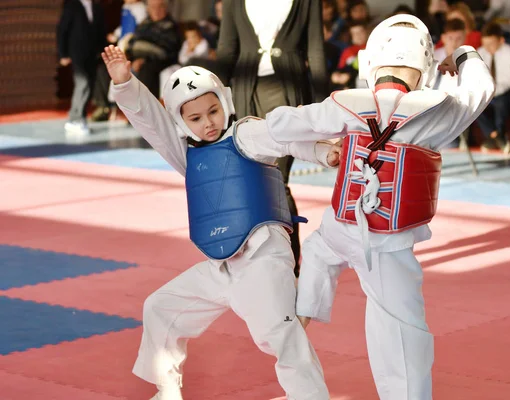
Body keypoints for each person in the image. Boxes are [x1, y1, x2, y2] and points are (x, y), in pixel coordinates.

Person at [265, 14, 495, 400]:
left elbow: (282, 125)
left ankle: (297, 322)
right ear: (423, 66)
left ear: (370, 62)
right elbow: (482, 87)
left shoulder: (345, 104)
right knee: (403, 339)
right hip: (386, 247)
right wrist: (463, 53)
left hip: (339, 227)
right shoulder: (439, 109)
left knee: (319, 256)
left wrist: (314, 144)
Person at [101, 45, 334, 400]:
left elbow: (284, 136)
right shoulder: (189, 153)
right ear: (182, 122)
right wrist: (126, 84)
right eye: (195, 118)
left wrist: (322, 151)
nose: (208, 122)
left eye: (213, 111)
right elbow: (153, 123)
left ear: (225, 103)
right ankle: (167, 389)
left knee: (280, 336)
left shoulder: (244, 134)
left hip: (263, 260)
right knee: (160, 308)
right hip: (221, 266)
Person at [217, 0, 328, 276]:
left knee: (277, 180)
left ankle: (290, 262)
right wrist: (215, 105)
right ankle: (253, 257)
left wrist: (325, 109)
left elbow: (315, 49)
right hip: (246, 92)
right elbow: (226, 49)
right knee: (248, 180)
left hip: (288, 93)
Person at [57, 0, 107, 136]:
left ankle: (79, 116)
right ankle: (75, 119)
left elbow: (100, 31)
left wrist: (104, 52)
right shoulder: (72, 5)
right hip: (76, 53)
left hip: (92, 54)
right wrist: (63, 54)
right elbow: (62, 29)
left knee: (90, 85)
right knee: (82, 83)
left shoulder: (97, 7)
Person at [476, 21, 510, 152]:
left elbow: (508, 82)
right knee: (473, 104)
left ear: (501, 40)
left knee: (501, 102)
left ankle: (500, 133)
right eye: (485, 44)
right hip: (488, 89)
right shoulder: (480, 53)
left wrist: (490, 93)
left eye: (491, 44)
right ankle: (495, 135)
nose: (488, 48)